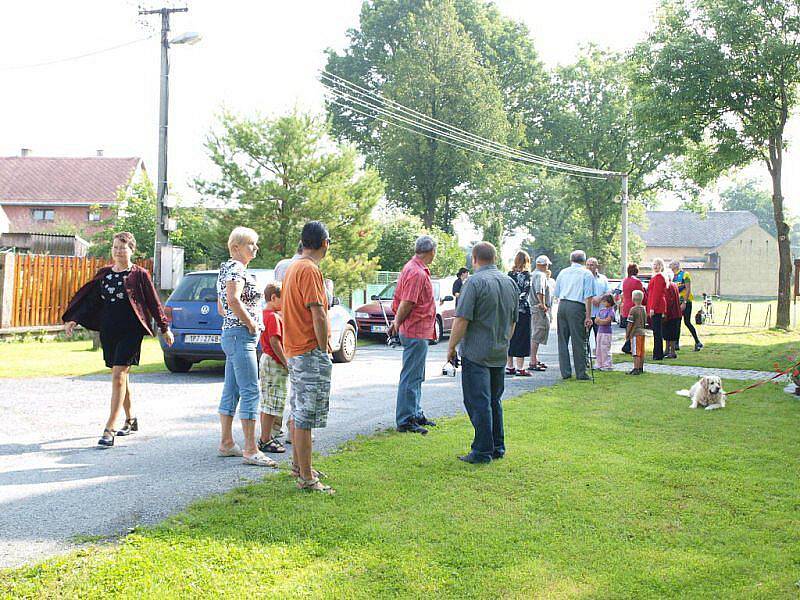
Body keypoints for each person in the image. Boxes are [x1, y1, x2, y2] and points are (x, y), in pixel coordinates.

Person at [63, 232, 174, 448]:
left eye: (123, 248)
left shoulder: (139, 274)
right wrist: (74, 319)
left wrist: (164, 328)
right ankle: (131, 419)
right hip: (109, 331)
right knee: (121, 377)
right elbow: (90, 302)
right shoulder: (104, 274)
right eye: (115, 247)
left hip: (131, 331)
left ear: (132, 250)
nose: (118, 251)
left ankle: (109, 429)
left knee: (118, 375)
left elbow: (153, 302)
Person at [446, 242, 519, 464]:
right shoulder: (509, 283)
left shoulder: (473, 283)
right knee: (494, 401)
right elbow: (513, 321)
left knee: (478, 402)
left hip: (477, 352)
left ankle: (482, 450)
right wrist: (504, 341)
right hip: (499, 350)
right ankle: (497, 445)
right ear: (494, 258)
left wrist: (451, 347)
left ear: (474, 259)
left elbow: (461, 319)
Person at [216, 227, 277, 468]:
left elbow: (222, 307)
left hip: (232, 334)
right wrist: (251, 322)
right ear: (236, 247)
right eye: (251, 244)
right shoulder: (236, 269)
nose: (255, 248)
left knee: (232, 390)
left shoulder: (225, 269)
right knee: (252, 390)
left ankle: (227, 442)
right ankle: (251, 449)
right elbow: (232, 300)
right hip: (241, 336)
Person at [282, 221, 335, 493]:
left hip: (295, 349)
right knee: (305, 416)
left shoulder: (293, 266)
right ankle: (306, 477)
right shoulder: (310, 269)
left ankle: (299, 466)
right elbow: (318, 312)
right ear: (324, 243)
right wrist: (325, 347)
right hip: (308, 350)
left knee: (297, 410)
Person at [389, 235, 438, 435]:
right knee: (411, 376)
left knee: (416, 375)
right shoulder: (417, 272)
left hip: (418, 329)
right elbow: (407, 302)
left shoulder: (412, 267)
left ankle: (415, 412)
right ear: (431, 251)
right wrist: (397, 322)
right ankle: (406, 419)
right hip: (415, 329)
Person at [554, 250, 595, 380]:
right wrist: (588, 317)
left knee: (562, 340)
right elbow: (588, 297)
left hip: (563, 305)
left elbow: (557, 293)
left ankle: (565, 372)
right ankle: (581, 372)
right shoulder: (586, 274)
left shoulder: (563, 272)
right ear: (584, 260)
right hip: (577, 306)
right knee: (578, 340)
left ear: (571, 260)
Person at [257, 282, 288, 454]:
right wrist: (285, 361)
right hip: (273, 362)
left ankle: (267, 434)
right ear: (274, 298)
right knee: (272, 402)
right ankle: (265, 439)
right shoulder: (273, 317)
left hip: (268, 360)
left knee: (270, 400)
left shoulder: (266, 314)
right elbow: (274, 341)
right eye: (284, 298)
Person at [505, 251, 533, 376]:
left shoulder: (509, 275)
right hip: (522, 310)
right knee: (522, 337)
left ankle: (509, 365)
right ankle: (520, 367)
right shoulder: (527, 275)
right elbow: (526, 292)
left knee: (510, 336)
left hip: (509, 309)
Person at [669, 260, 703, 352]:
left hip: (686, 301)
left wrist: (684, 302)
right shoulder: (672, 277)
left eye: (672, 265)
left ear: (676, 266)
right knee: (677, 322)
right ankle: (676, 344)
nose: (670, 267)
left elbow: (688, 289)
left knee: (687, 322)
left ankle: (697, 341)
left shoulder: (685, 275)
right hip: (676, 302)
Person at [528, 254, 552, 372]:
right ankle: (533, 361)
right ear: (544, 265)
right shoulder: (540, 275)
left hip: (533, 307)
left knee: (536, 332)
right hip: (538, 308)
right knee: (538, 333)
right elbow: (540, 290)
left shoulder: (532, 274)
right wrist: (542, 304)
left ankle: (535, 359)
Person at [646, 258, 669, 361]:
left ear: (661, 266)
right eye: (654, 264)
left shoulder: (659, 277)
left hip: (657, 306)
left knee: (657, 331)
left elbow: (657, 294)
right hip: (655, 305)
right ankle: (657, 353)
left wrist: (652, 308)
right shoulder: (655, 276)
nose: (656, 266)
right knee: (656, 330)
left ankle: (658, 354)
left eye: (658, 265)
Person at [620, 263, 645, 354]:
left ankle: (628, 344)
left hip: (626, 306)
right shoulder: (637, 282)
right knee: (635, 328)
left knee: (628, 327)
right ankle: (629, 346)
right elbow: (641, 294)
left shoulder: (625, 281)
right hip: (634, 306)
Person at [586, 257, 610, 341]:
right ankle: (585, 354)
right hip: (587, 314)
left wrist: (600, 298)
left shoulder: (603, 278)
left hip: (600, 314)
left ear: (597, 266)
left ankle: (599, 354)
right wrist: (592, 299)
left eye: (592, 265)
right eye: (588, 265)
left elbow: (608, 292)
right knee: (584, 339)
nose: (589, 267)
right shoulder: (583, 278)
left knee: (600, 338)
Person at [626, 290, 647, 375]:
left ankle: (636, 368)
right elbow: (645, 321)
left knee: (636, 352)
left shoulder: (633, 310)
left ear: (633, 298)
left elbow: (630, 323)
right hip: (642, 332)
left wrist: (627, 334)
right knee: (641, 351)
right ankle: (641, 367)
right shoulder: (643, 309)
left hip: (635, 333)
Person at [594, 294, 615, 371]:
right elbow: (596, 320)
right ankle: (599, 363)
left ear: (609, 302)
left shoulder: (611, 311)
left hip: (606, 333)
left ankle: (607, 365)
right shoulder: (601, 311)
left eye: (604, 301)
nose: (603, 303)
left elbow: (607, 321)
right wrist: (599, 321)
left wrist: (600, 321)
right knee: (598, 348)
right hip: (600, 332)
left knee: (605, 348)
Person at [663, 277, 682, 359]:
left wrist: (665, 312)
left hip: (671, 314)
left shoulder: (668, 286)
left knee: (670, 333)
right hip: (676, 313)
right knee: (670, 333)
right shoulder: (674, 285)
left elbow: (668, 300)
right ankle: (667, 350)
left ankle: (672, 351)